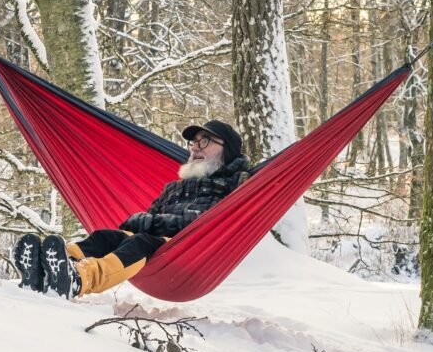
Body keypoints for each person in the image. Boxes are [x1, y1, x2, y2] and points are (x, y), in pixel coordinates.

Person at [13, 119, 253, 298]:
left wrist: (148, 223)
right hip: (155, 247)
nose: (194, 148)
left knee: (141, 242)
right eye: (193, 142)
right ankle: (49, 265)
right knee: (107, 236)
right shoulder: (174, 187)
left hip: (187, 256)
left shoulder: (233, 186)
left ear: (227, 148)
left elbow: (201, 223)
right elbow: (149, 217)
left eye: (204, 141)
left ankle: (80, 279)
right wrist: (143, 222)